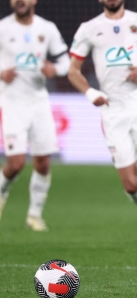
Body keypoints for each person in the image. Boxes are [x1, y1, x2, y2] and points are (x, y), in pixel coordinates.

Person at [68, 0, 137, 255]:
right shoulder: (89, 28)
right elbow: (72, 70)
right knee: (130, 184)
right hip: (113, 110)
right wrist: (90, 93)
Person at [0, 0, 70, 231]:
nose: (20, 1)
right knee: (16, 163)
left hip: (39, 102)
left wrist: (54, 70)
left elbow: (66, 62)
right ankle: (2, 191)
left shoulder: (46, 28)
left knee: (42, 162)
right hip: (12, 102)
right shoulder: (3, 28)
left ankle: (34, 215)